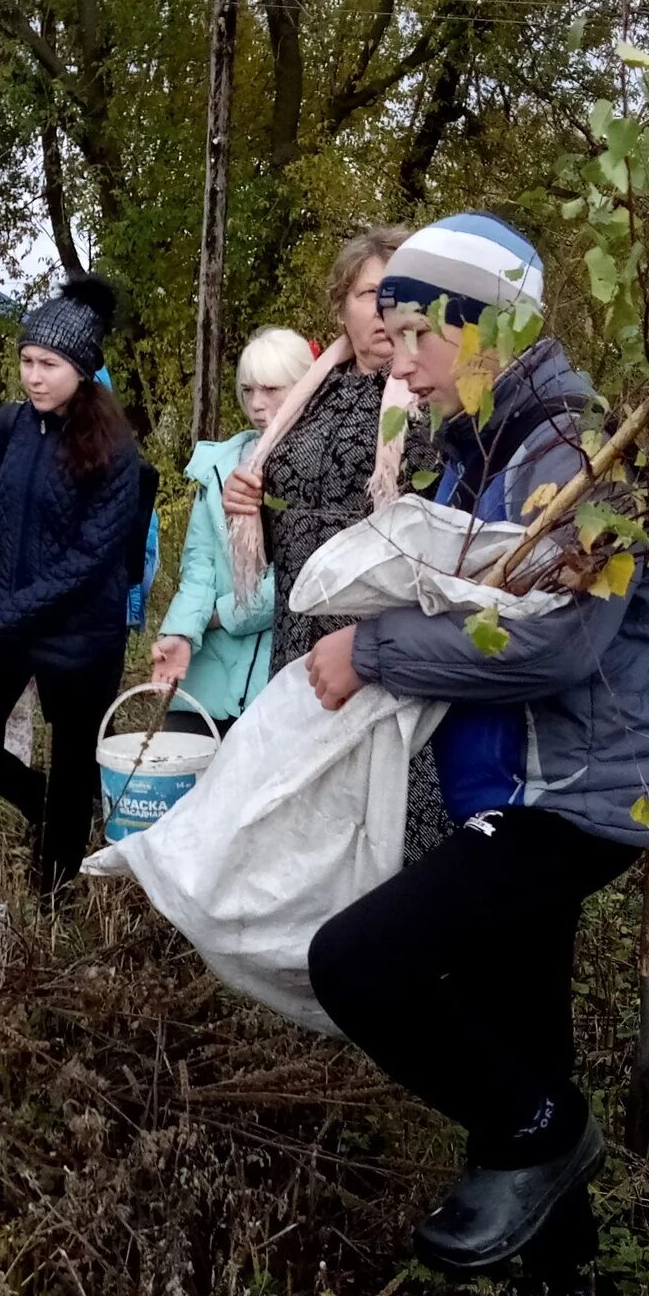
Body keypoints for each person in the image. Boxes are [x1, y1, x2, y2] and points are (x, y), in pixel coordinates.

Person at [302, 214, 649, 1284]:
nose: (399, 359)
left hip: (571, 797)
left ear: (490, 327)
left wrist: (372, 649)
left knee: (361, 962)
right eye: (391, 329)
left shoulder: (572, 449)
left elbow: (559, 638)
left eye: (421, 331)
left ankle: (548, 1136)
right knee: (522, 1039)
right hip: (504, 782)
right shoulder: (483, 445)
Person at [222, 225, 451, 854]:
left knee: (390, 804)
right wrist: (253, 507)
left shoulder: (436, 398)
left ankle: (394, 939)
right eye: (367, 293)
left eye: (397, 294)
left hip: (383, 628)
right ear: (340, 306)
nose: (382, 310)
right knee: (301, 802)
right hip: (300, 623)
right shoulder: (310, 393)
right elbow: (294, 501)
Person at [0, 273, 142, 896]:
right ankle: (48, 811)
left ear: (82, 368)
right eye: (26, 360)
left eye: (49, 363)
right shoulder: (10, 426)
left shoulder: (115, 449)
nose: (34, 376)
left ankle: (54, 893)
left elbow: (88, 564)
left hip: (79, 634)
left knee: (75, 762)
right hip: (4, 616)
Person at [148, 328, 314, 732]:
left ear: (305, 385)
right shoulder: (220, 466)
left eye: (271, 389)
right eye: (247, 390)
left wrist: (217, 615)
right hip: (209, 679)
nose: (257, 405)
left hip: (277, 683)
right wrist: (182, 633)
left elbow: (298, 580)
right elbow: (199, 566)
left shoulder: (321, 467)